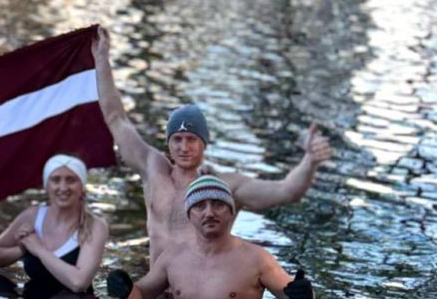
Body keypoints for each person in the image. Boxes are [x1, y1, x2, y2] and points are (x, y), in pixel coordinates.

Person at [92, 23, 332, 262]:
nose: (183, 148)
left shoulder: (224, 187)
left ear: (204, 144)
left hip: (197, 285)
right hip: (156, 283)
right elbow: (116, 118)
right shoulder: (152, 169)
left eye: (191, 140)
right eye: (177, 140)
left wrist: (310, 161)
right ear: (168, 144)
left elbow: (287, 191)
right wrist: (102, 58)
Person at [106, 175, 315, 299]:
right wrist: (125, 289)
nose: (209, 213)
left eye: (218, 204)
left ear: (231, 212)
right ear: (189, 215)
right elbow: (140, 296)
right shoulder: (172, 258)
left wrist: (305, 296)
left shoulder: (258, 259)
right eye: (200, 206)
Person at [0, 154, 110, 294]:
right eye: (56, 180)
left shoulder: (95, 225)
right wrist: (22, 249)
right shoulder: (32, 216)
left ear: (82, 186)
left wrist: (38, 249)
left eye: (71, 180)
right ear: (47, 185)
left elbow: (79, 283)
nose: (63, 187)